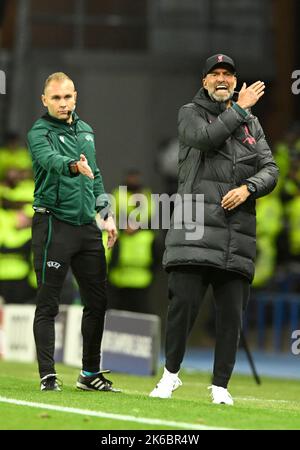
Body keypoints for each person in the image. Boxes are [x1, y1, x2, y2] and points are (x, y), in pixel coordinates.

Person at [149, 54, 279, 404]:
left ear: (235, 82)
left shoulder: (252, 123)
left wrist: (249, 187)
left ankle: (220, 385)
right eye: (215, 74)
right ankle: (169, 376)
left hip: (236, 233)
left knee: (230, 317)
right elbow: (206, 139)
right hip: (195, 226)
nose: (222, 79)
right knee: (183, 307)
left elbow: (271, 168)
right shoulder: (190, 112)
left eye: (228, 75)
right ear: (204, 81)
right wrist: (241, 109)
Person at [27, 72, 119, 392]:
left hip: (86, 229)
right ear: (45, 101)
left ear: (75, 97)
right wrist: (71, 165)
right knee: (49, 303)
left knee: (97, 302)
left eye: (67, 97)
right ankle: (48, 375)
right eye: (56, 98)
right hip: (54, 224)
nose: (63, 103)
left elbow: (97, 176)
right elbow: (49, 160)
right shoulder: (39, 132)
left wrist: (106, 215)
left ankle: (89, 374)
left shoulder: (87, 130)